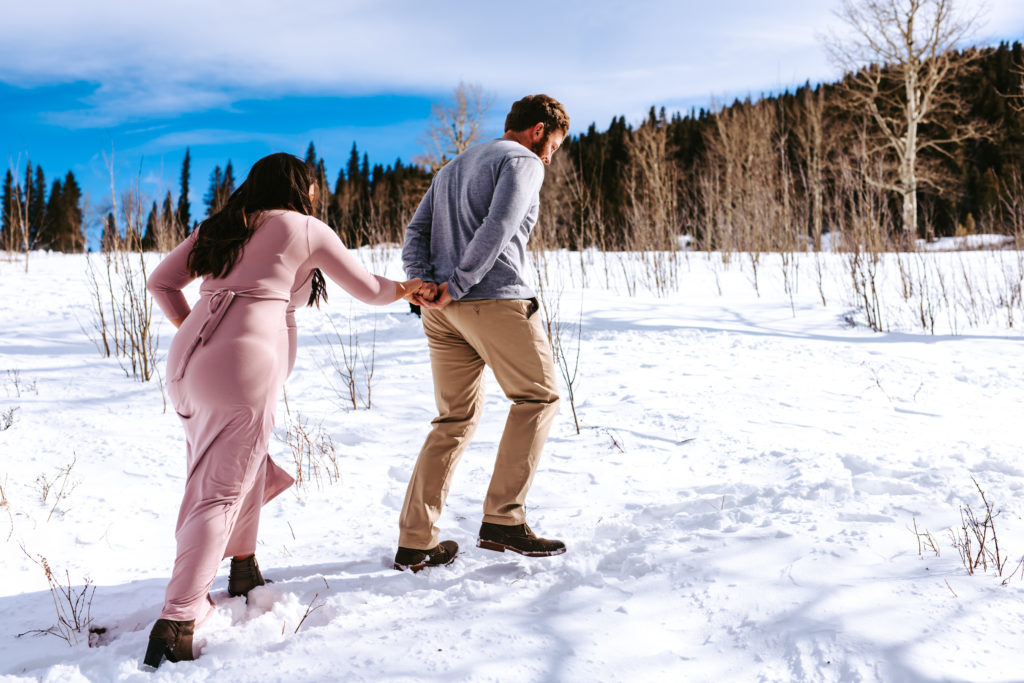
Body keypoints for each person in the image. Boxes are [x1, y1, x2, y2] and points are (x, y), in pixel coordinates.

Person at [144, 152, 422, 668]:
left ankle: (243, 566)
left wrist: (195, 332)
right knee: (218, 493)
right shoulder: (305, 228)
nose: (316, 194)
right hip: (239, 372)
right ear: (300, 188)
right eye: (313, 185)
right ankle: (178, 618)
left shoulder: (224, 225)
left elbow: (161, 282)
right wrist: (408, 289)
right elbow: (369, 289)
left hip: (188, 364)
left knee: (235, 469)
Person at [394, 94, 570, 572]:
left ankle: (416, 541)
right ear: (537, 131)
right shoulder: (523, 160)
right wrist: (458, 283)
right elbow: (499, 225)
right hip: (493, 300)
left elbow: (415, 232)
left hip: (442, 312)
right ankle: (504, 521)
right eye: (552, 144)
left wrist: (424, 284)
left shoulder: (451, 168)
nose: (550, 156)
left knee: (453, 419)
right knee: (538, 398)